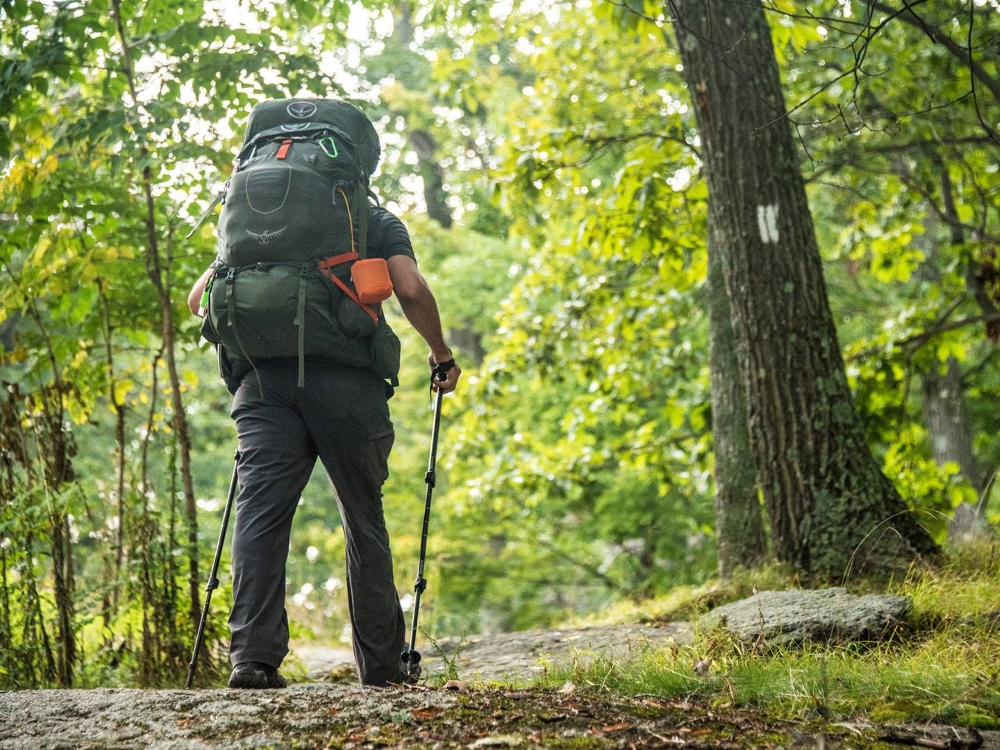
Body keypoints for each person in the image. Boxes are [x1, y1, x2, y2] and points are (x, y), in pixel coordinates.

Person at [188, 203, 461, 689]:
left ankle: (252, 659)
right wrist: (441, 353)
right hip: (347, 384)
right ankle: (381, 669)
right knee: (361, 516)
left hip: (262, 383)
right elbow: (411, 288)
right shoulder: (371, 219)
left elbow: (197, 301)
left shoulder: (250, 218)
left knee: (260, 513)